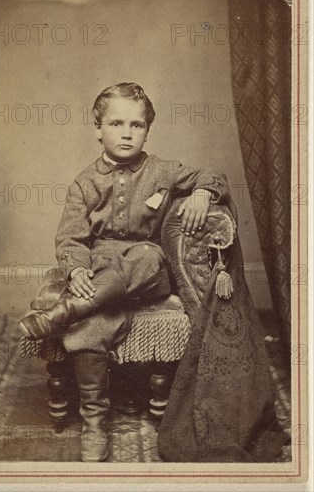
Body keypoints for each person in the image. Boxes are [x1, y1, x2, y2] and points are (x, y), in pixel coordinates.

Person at [19, 83, 230, 462]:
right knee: (91, 323)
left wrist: (201, 194)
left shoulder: (161, 171)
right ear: (98, 128)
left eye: (137, 124)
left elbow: (211, 175)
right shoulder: (85, 182)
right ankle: (95, 422)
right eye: (116, 123)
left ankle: (60, 315)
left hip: (147, 273)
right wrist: (77, 271)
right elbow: (70, 238)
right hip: (101, 273)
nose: (127, 132)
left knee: (147, 255)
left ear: (148, 129)